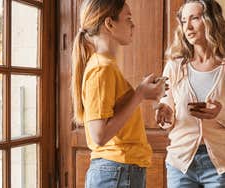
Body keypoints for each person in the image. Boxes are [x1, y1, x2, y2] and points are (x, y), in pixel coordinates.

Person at [155, 0, 225, 187]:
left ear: (211, 21)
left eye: (195, 18)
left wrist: (220, 114)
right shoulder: (174, 68)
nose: (188, 26)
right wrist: (164, 117)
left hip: (221, 165)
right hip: (180, 164)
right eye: (183, 21)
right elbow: (168, 121)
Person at [71, 0, 166, 187]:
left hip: (120, 171)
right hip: (117, 172)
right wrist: (139, 94)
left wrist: (144, 93)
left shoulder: (106, 66)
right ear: (109, 24)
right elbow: (99, 135)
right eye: (128, 18)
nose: (133, 25)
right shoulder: (102, 68)